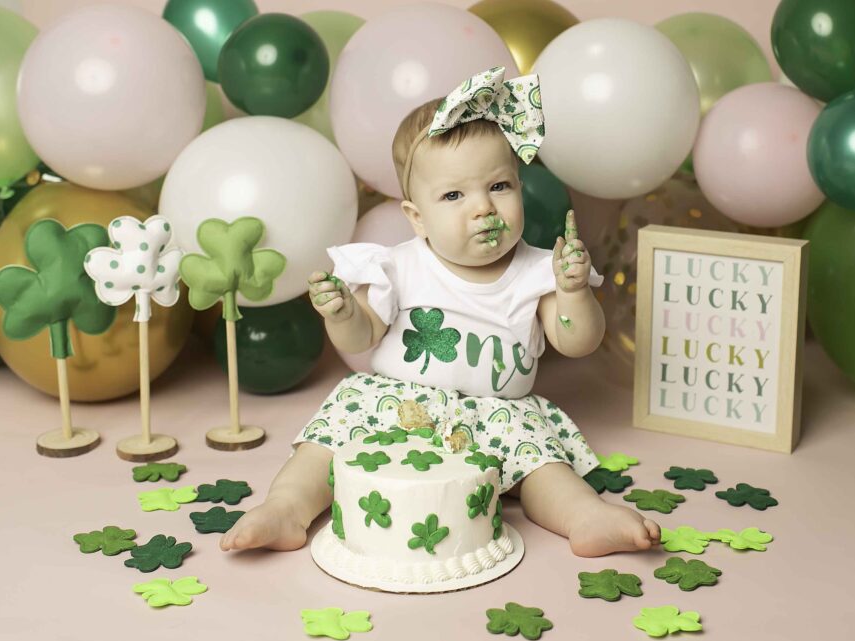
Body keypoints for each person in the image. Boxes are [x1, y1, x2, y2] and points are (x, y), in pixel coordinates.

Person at [220, 67, 660, 557]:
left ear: (520, 186)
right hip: (395, 401)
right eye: (454, 195)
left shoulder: (539, 270)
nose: (483, 209)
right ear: (417, 217)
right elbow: (360, 337)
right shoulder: (399, 266)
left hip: (499, 414)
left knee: (542, 465)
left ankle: (585, 516)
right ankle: (285, 507)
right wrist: (343, 313)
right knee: (325, 443)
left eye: (499, 187)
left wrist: (574, 291)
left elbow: (577, 342)